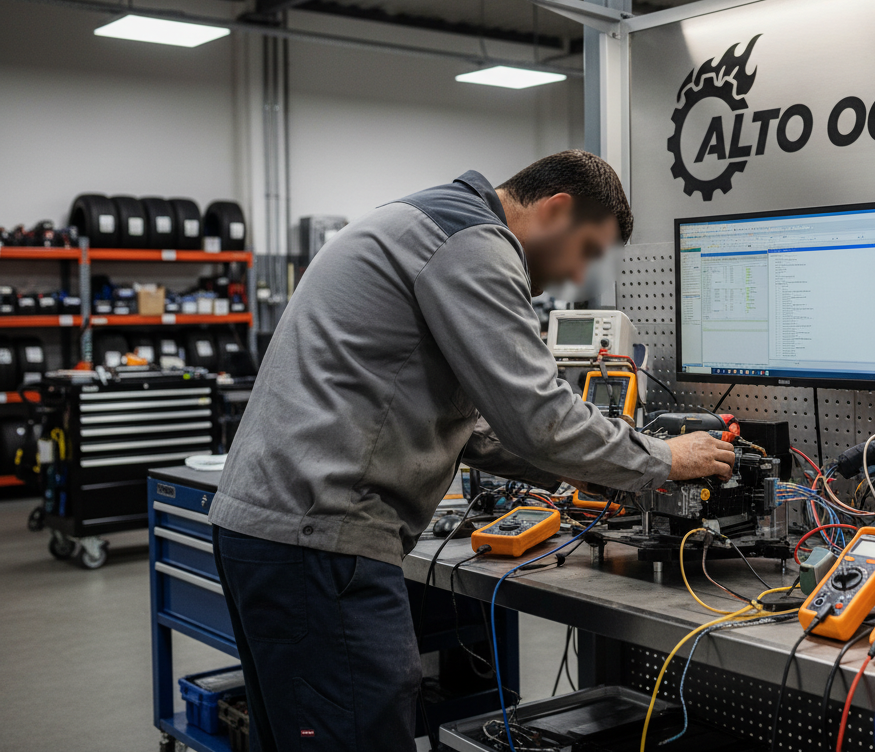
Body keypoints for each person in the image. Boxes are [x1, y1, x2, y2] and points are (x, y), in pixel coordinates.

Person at [208, 150, 735, 751]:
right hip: (319, 540)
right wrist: (664, 460)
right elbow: (541, 419)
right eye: (587, 251)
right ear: (556, 209)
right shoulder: (473, 242)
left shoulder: (424, 218)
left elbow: (479, 429)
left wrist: (597, 475)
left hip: (269, 532)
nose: (574, 276)